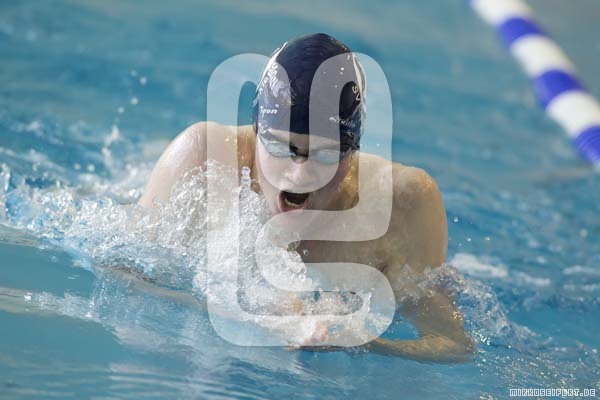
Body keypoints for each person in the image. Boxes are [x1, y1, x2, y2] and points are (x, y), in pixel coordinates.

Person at [139, 33, 473, 362]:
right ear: (256, 132)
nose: (299, 175)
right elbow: (125, 274)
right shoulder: (203, 159)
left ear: (352, 152)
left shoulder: (404, 204)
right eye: (281, 147)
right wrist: (261, 321)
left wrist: (356, 340)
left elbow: (451, 345)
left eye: (325, 154)